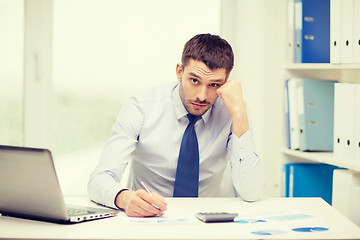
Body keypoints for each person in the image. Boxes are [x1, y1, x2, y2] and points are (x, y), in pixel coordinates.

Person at [88, 33, 264, 217]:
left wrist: (239, 113)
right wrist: (125, 198)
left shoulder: (232, 111)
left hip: (205, 223)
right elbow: (100, 179)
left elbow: (251, 192)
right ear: (180, 72)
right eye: (194, 80)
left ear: (225, 83)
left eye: (213, 84)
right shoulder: (141, 108)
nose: (202, 96)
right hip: (148, 220)